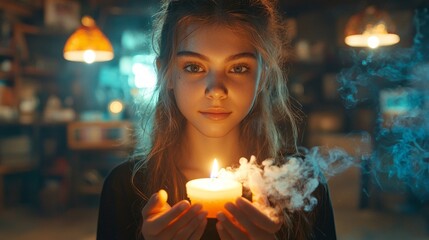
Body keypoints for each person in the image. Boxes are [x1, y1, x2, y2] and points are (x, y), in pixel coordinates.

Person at [97, 0, 337, 239]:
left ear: (262, 78)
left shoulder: (302, 184)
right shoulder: (127, 187)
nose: (216, 90)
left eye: (238, 68)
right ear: (165, 74)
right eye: (194, 67)